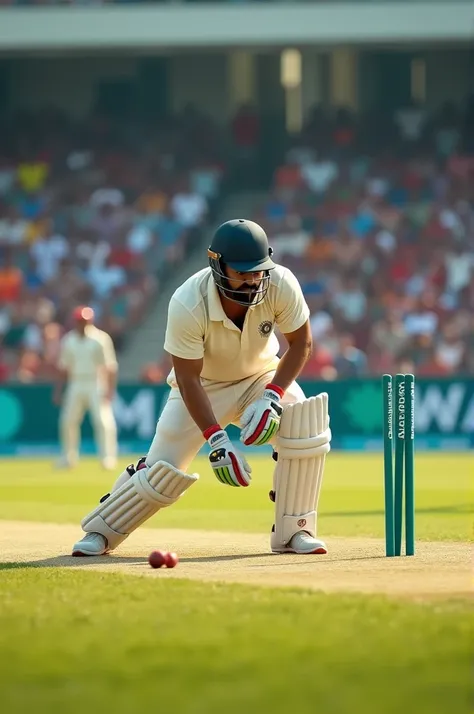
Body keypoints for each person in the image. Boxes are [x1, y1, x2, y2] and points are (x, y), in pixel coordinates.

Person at [72, 219, 331, 557]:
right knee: (161, 471)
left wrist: (273, 395)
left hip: (261, 376)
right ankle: (101, 532)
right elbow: (188, 378)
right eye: (243, 272)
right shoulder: (187, 302)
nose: (253, 280)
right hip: (203, 387)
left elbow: (301, 344)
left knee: (304, 421)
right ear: (217, 264)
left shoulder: (280, 282)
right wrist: (217, 439)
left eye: (259, 271)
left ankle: (296, 530)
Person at [54, 306, 118, 470]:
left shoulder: (100, 339)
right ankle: (68, 457)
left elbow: (110, 367)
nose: (82, 324)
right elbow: (64, 367)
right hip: (75, 382)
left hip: (96, 382)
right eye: (80, 321)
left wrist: (110, 390)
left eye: (85, 321)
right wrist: (58, 390)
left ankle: (107, 458)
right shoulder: (69, 340)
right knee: (68, 421)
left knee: (103, 422)